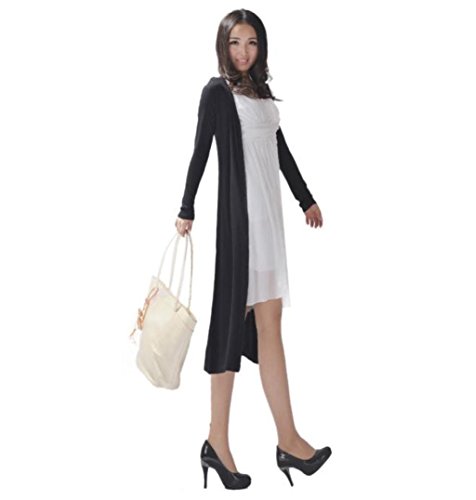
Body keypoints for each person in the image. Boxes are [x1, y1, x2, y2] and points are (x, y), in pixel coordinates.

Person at [175, 9, 331, 489]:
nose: (243, 52)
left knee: (270, 327)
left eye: (252, 43)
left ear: (261, 47)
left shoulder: (260, 94)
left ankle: (288, 440)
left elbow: (280, 152)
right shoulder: (217, 93)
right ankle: (218, 441)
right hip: (241, 228)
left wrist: (305, 198)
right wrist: (186, 207)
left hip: (270, 226)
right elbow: (200, 151)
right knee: (229, 330)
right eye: (235, 43)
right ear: (223, 46)